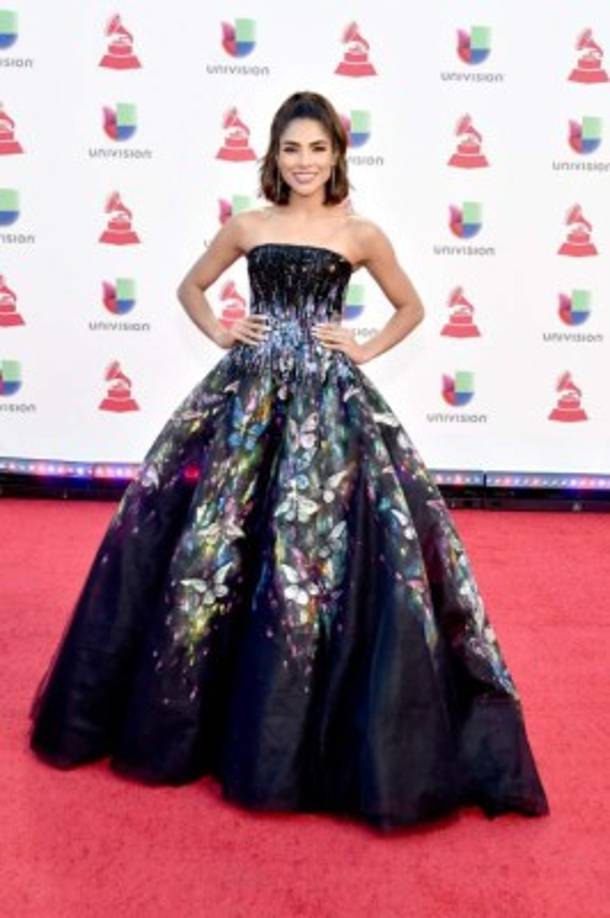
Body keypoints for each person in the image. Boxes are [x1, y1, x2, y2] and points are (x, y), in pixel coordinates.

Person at [29, 91, 550, 831]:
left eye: (318, 149)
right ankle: (196, 723)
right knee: (216, 552)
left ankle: (298, 737)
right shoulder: (250, 225)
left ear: (338, 155)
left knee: (311, 563)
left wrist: (362, 348)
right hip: (245, 407)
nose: (305, 162)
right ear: (273, 156)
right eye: (291, 149)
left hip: (329, 415)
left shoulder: (360, 233)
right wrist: (220, 330)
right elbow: (190, 286)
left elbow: (412, 308)